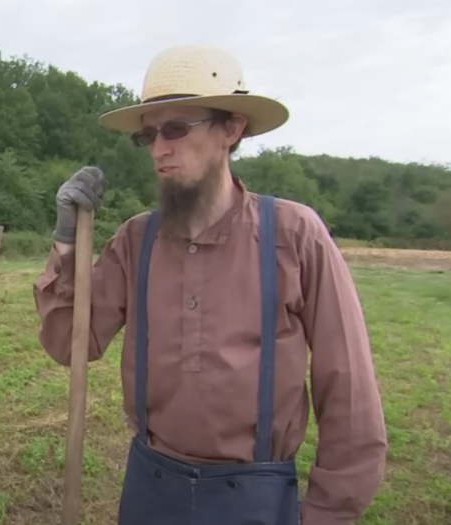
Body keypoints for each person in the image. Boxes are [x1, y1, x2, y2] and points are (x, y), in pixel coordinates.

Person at [33, 45, 387, 525]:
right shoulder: (138, 240)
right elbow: (68, 345)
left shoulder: (294, 235)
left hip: (256, 498)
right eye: (149, 135)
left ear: (232, 128)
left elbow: (348, 394)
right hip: (150, 491)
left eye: (176, 128)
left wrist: (326, 513)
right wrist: (66, 242)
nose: (160, 148)